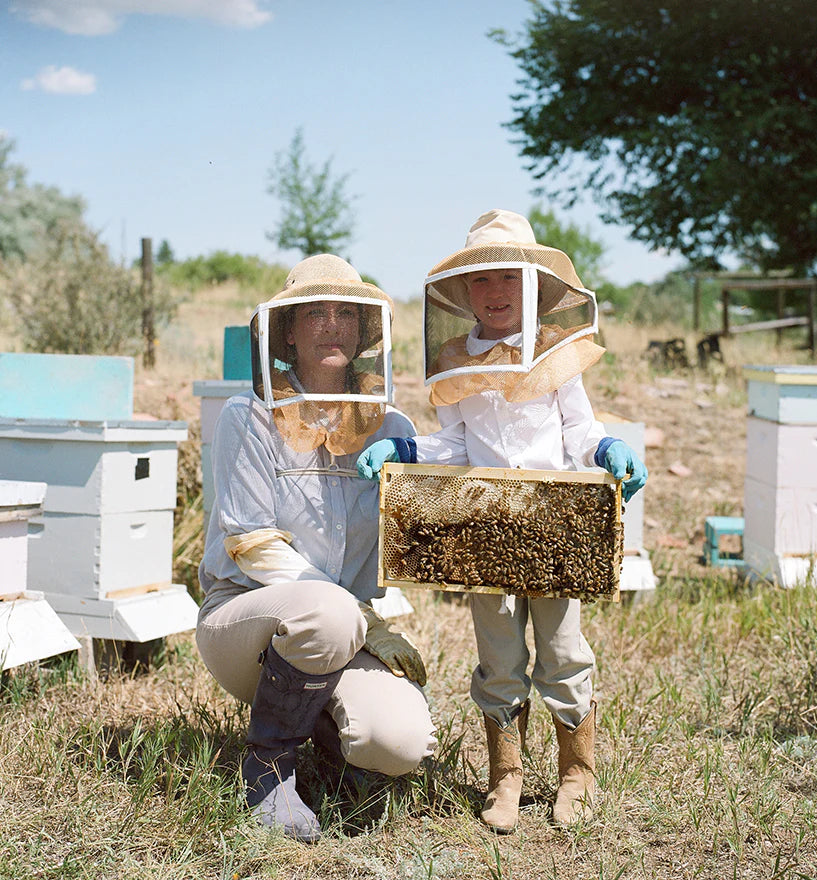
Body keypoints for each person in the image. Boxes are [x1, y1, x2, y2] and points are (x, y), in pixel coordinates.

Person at [357, 209, 647, 832]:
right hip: (484, 525)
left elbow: (580, 431)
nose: (495, 292)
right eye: (482, 281)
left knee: (563, 648)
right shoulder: (459, 359)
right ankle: (506, 777)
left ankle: (577, 772)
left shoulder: (556, 353)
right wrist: (405, 451)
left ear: (534, 286)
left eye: (508, 279)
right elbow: (455, 445)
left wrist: (607, 451)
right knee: (499, 653)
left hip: (556, 520)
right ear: (464, 293)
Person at [197, 254, 436, 843]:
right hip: (247, 621)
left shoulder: (391, 427)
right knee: (326, 612)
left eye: (345, 314)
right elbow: (252, 546)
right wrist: (359, 616)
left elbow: (420, 531)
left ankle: (332, 748)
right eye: (315, 313)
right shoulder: (248, 416)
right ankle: (269, 769)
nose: (332, 325)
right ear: (288, 330)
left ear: (362, 331)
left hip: (347, 627)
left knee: (401, 743)